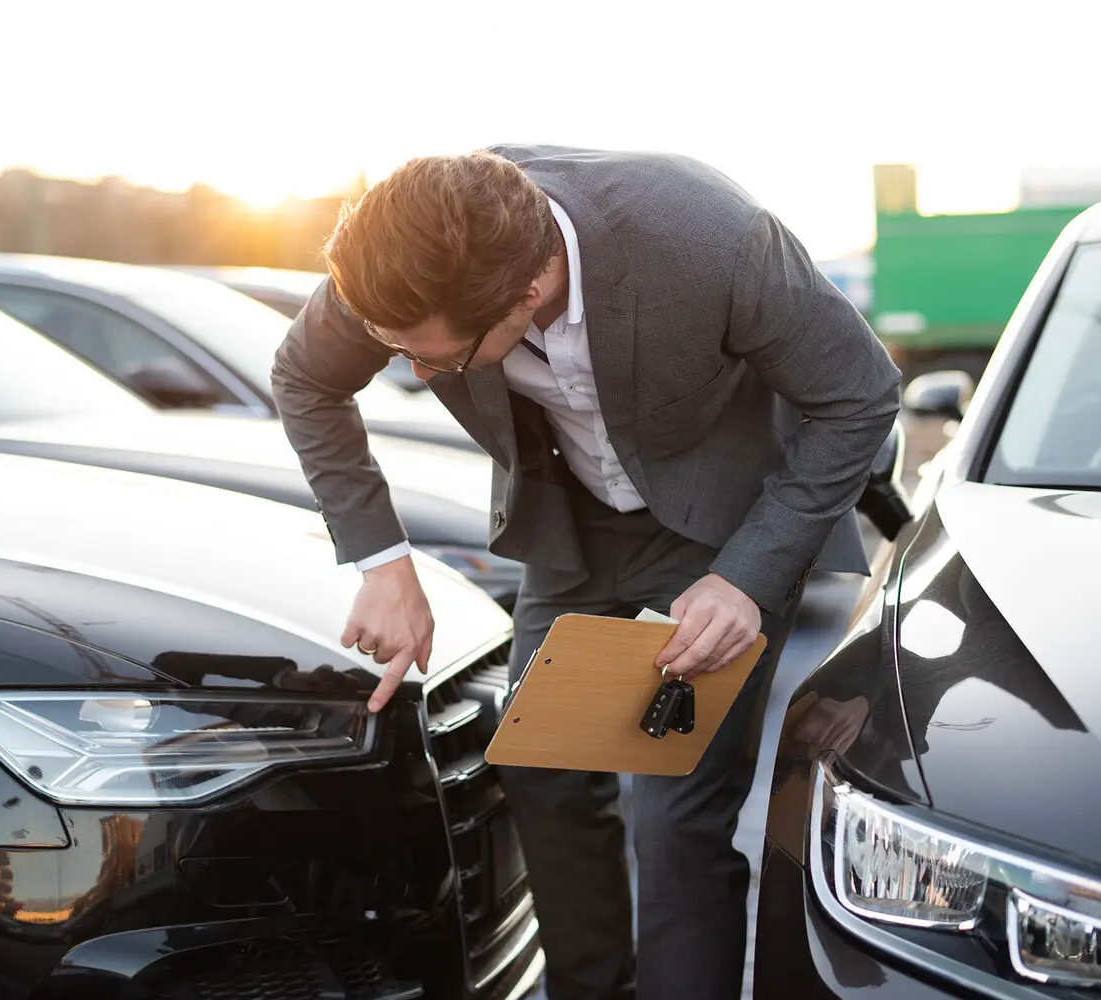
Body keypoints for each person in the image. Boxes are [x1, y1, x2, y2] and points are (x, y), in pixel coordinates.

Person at [270, 145, 902, 1000]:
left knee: (674, 815)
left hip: (721, 535)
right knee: (540, 766)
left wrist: (748, 579)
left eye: (438, 362)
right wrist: (383, 562)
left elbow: (860, 392)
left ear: (527, 293)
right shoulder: (404, 266)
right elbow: (305, 377)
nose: (416, 375)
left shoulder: (711, 239)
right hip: (570, 529)